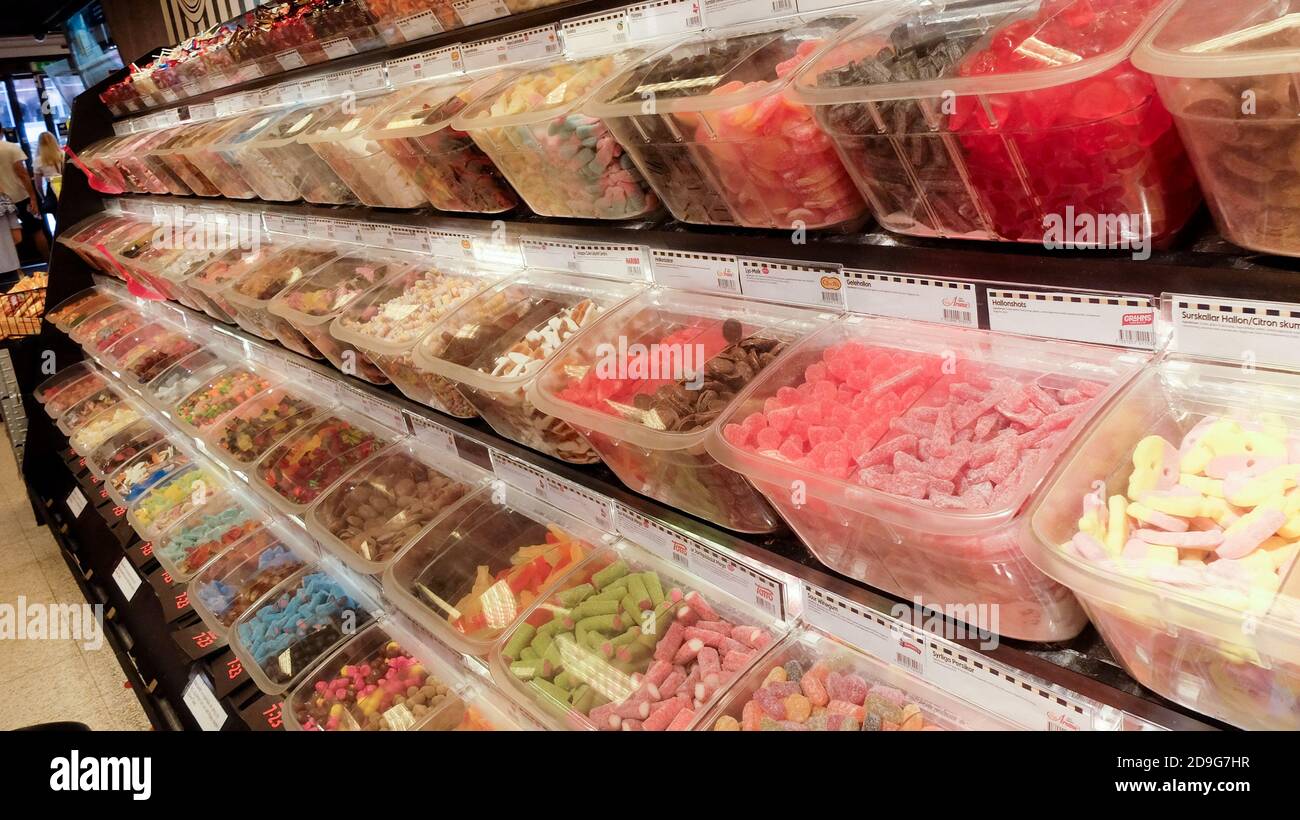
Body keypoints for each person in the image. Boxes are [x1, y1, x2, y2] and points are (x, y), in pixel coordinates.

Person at [0, 137, 49, 259]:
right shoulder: (11, 147)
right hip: (21, 197)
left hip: (2, 201)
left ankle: (17, 272)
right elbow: (22, 174)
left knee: (7, 238)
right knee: (37, 231)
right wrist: (33, 198)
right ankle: (49, 265)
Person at [34, 131, 63, 214]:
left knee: (58, 217)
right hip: (66, 185)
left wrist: (44, 198)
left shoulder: (38, 160)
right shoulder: (63, 154)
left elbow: (38, 185)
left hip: (52, 190)